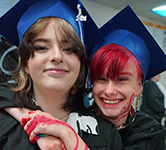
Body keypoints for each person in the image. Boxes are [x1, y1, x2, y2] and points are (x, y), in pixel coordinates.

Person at [0, 0, 122, 149]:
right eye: (42, 47)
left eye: (69, 49)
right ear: (25, 64)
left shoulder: (105, 133)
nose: (57, 56)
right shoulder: (4, 123)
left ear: (81, 63)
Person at [88, 6, 166, 149]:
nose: (109, 91)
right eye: (102, 79)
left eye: (121, 79)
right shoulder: (77, 123)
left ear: (139, 87)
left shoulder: (152, 133)